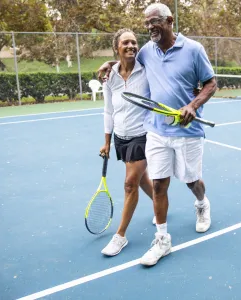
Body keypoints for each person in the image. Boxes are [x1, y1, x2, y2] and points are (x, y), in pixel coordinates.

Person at [98, 3, 217, 266]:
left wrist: (192, 105)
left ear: (170, 20)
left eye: (155, 22)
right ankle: (162, 239)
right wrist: (111, 63)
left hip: (188, 131)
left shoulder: (194, 50)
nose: (150, 27)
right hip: (156, 131)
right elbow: (126, 60)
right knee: (160, 184)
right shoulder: (146, 52)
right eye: (147, 23)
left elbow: (211, 83)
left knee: (191, 180)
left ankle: (201, 203)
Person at [99, 28, 155, 257]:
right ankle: (159, 202)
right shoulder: (109, 75)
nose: (131, 46)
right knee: (141, 180)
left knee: (130, 183)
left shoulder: (147, 69)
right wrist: (107, 142)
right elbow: (108, 111)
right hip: (121, 137)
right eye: (126, 43)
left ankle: (120, 236)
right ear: (117, 47)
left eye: (134, 42)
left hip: (143, 134)